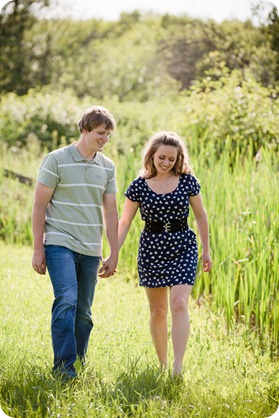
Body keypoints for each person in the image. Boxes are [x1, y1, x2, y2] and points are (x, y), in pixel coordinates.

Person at [32, 105, 118, 380]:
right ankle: (64, 369)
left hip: (91, 248)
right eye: (100, 133)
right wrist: (38, 248)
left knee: (84, 314)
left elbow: (111, 212)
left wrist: (114, 252)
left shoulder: (107, 166)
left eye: (108, 134)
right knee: (67, 299)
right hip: (59, 241)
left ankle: (77, 363)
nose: (104, 139)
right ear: (84, 129)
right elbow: (39, 206)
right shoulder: (56, 160)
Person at [118, 131, 212, 377]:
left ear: (178, 158)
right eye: (162, 157)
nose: (166, 162)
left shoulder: (188, 181)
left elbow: (200, 215)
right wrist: (113, 253)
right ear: (152, 155)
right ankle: (162, 364)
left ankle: (177, 368)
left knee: (179, 303)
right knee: (158, 312)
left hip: (183, 245)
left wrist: (206, 250)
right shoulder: (138, 186)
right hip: (151, 248)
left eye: (171, 158)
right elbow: (125, 221)